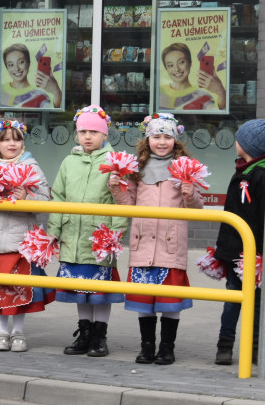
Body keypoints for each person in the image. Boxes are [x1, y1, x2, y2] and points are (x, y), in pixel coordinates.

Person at [108, 113, 202, 365]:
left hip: (171, 246)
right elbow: (128, 204)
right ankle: (147, 346)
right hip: (143, 244)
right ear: (147, 139)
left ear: (176, 139)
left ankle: (167, 347)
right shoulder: (137, 168)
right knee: (144, 302)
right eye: (156, 136)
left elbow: (196, 208)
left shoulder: (185, 167)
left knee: (170, 302)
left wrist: (190, 194)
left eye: (167, 137)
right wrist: (116, 186)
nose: (162, 142)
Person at [48, 106, 128, 357]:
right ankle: (84, 333)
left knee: (100, 291)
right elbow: (58, 196)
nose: (88, 136)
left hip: (100, 237)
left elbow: (121, 201)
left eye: (94, 131)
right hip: (73, 234)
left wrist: (115, 234)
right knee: (80, 289)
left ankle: (100, 335)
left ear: (105, 134)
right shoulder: (69, 162)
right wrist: (54, 229)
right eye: (83, 131)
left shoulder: (115, 163)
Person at [0, 120, 53, 352]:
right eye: (5, 139)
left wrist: (27, 196)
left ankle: (18, 332)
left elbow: (45, 202)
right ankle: (1, 332)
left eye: (16, 139)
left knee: (20, 289)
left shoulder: (32, 167)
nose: (12, 144)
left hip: (22, 239)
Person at [213, 119, 265, 366]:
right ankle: (225, 346)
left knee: (254, 302)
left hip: (252, 254)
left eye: (238, 139)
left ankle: (254, 349)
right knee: (233, 298)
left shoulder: (259, 175)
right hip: (235, 251)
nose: (235, 142)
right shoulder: (243, 169)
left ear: (248, 145)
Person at [159, 42, 226, 112]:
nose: (176, 69)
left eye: (181, 62)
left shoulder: (203, 97)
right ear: (166, 68)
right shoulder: (159, 92)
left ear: (190, 63)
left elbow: (216, 114)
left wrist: (221, 92)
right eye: (170, 65)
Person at [0, 43, 62, 109]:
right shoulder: (1, 89)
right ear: (7, 68)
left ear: (29, 63)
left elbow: (54, 111)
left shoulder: (40, 94)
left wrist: (56, 91)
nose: (16, 69)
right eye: (11, 65)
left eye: (21, 62)